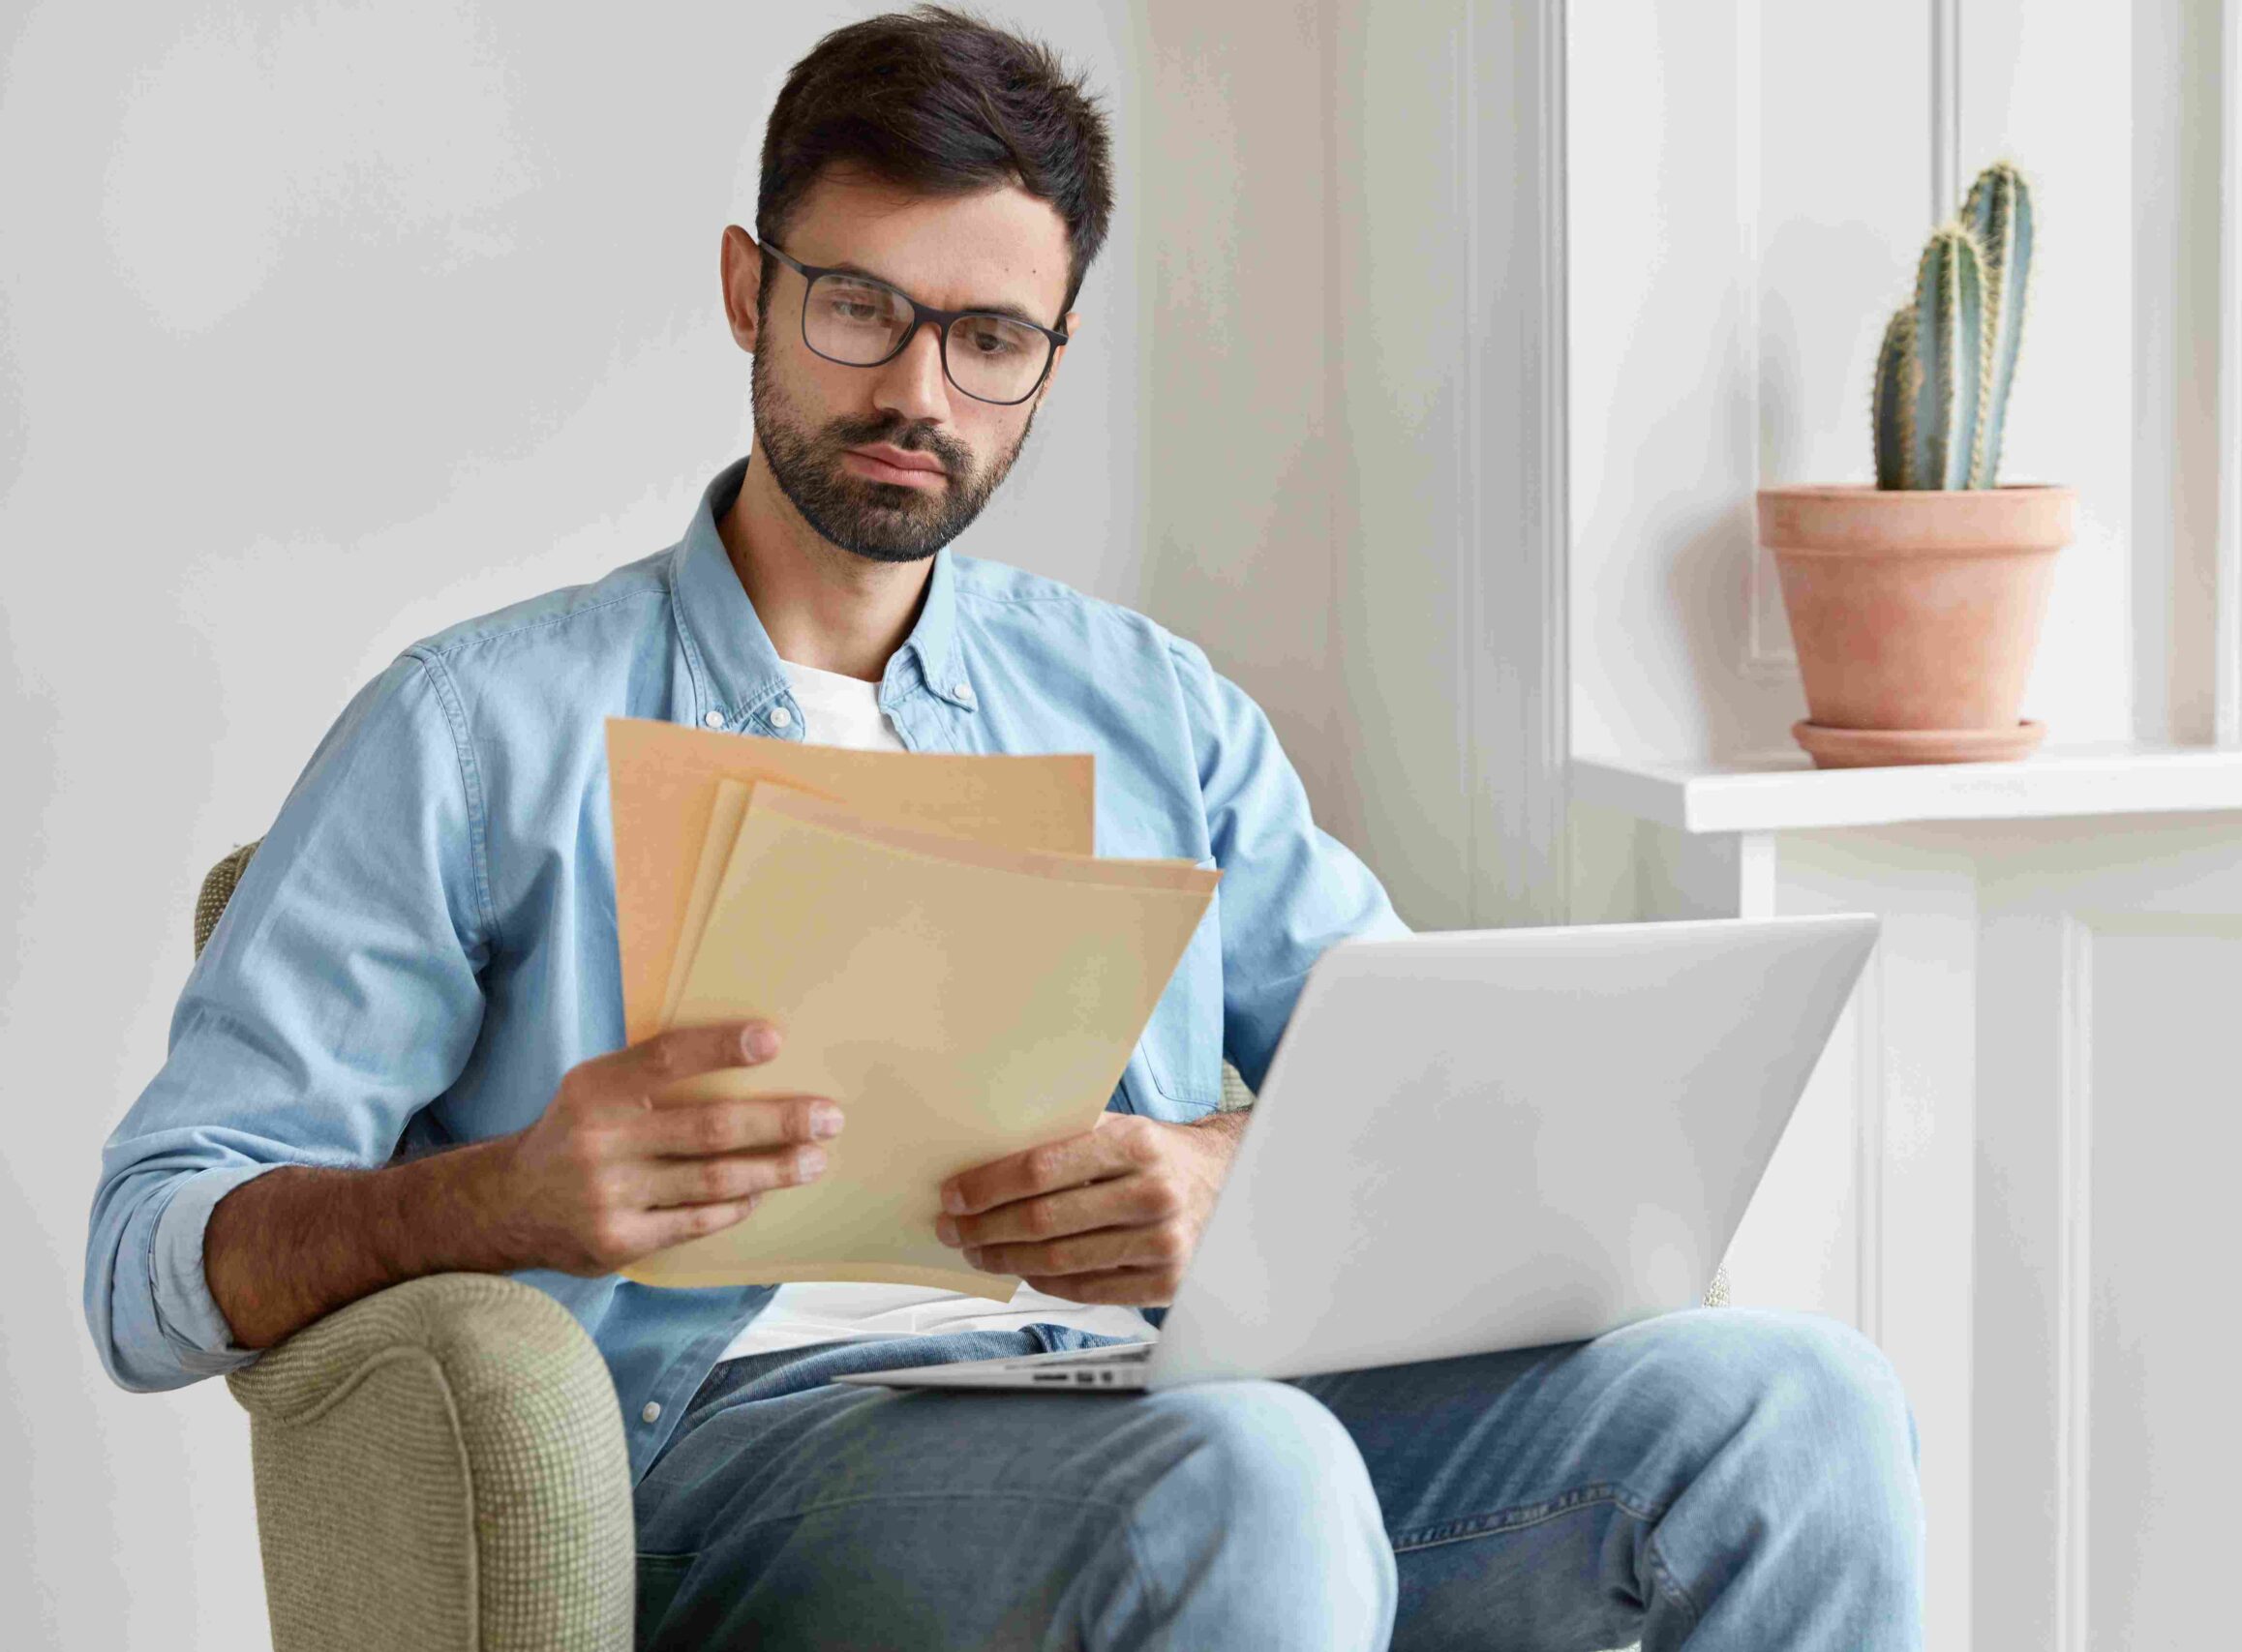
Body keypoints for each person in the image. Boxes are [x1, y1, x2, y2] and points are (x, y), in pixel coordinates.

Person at [83, 7, 1925, 1647]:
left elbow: (1421, 1101)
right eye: (860, 308)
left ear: (1050, 356)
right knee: (1248, 1473)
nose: (916, 394)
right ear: (748, 289)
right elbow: (152, 1259)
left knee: (1798, 1408)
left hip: (1149, 1391)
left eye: (989, 339)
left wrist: (1223, 1177)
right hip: (728, 1454)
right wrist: (504, 1193)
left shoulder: (1154, 708)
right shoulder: (477, 728)